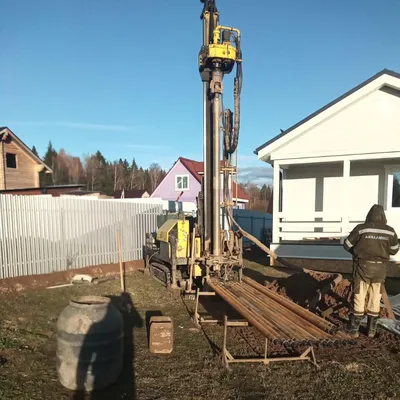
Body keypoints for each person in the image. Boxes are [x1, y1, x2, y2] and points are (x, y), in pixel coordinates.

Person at [343, 204, 399, 338]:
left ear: (369, 215)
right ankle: (371, 331)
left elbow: (347, 245)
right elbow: (394, 249)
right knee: (375, 297)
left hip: (362, 266)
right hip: (380, 268)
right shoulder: (390, 231)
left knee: (360, 295)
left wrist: (356, 252)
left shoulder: (361, 229)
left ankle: (354, 330)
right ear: (383, 216)